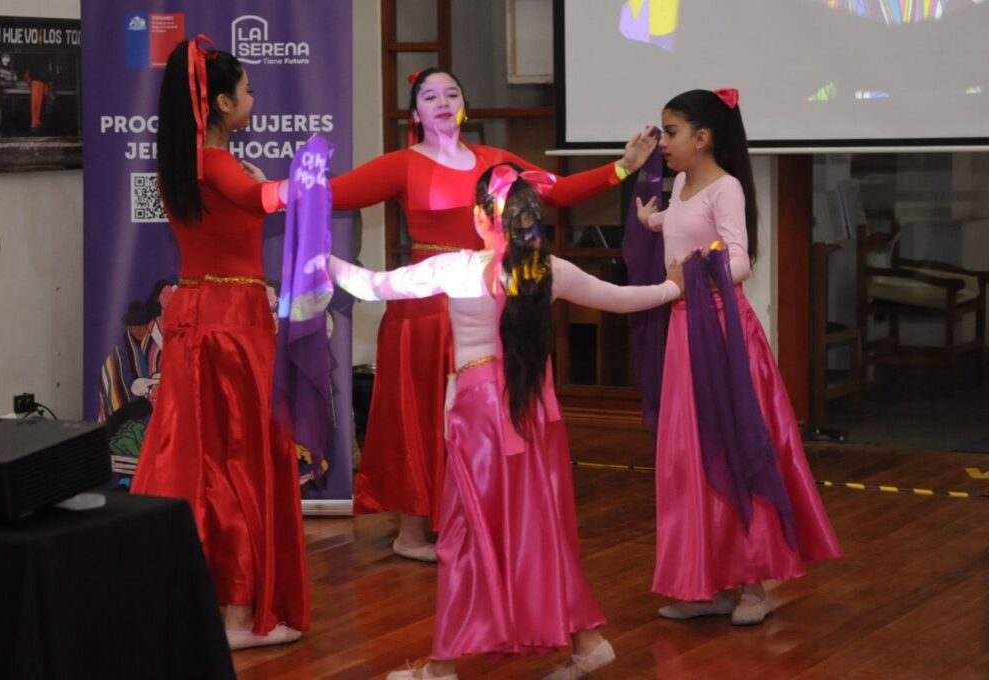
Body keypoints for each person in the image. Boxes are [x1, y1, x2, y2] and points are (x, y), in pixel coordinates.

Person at [328, 163, 684, 680]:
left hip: (481, 421)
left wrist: (317, 257)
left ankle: (444, 666)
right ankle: (585, 642)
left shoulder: (457, 269)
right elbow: (622, 299)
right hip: (533, 417)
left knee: (464, 536)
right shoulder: (548, 270)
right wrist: (672, 288)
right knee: (537, 529)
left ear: (480, 216)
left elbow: (372, 286)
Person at [329, 67, 658, 562]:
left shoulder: (494, 161)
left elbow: (557, 190)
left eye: (452, 93)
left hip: (485, 301)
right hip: (423, 307)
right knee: (419, 412)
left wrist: (622, 168)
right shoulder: (402, 163)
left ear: (465, 105)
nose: (443, 102)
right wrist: (269, 192)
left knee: (485, 416)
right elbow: (333, 193)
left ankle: (470, 523)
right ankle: (411, 532)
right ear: (415, 112)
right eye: (430, 96)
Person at [635, 88, 842, 625]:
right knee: (692, 455)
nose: (663, 143)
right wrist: (653, 221)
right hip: (685, 330)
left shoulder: (726, 188)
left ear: (703, 138)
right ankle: (708, 583)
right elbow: (681, 227)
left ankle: (753, 584)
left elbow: (741, 261)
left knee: (732, 444)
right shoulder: (681, 183)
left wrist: (692, 273)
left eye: (672, 133)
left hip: (721, 333)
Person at [130, 35, 309, 650]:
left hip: (197, 312)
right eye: (248, 91)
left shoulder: (187, 164)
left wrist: (266, 185)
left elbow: (247, 202)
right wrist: (301, 180)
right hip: (232, 323)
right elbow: (262, 198)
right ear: (224, 103)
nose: (254, 99)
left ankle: (193, 599)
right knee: (239, 461)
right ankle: (237, 614)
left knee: (195, 458)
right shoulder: (216, 162)